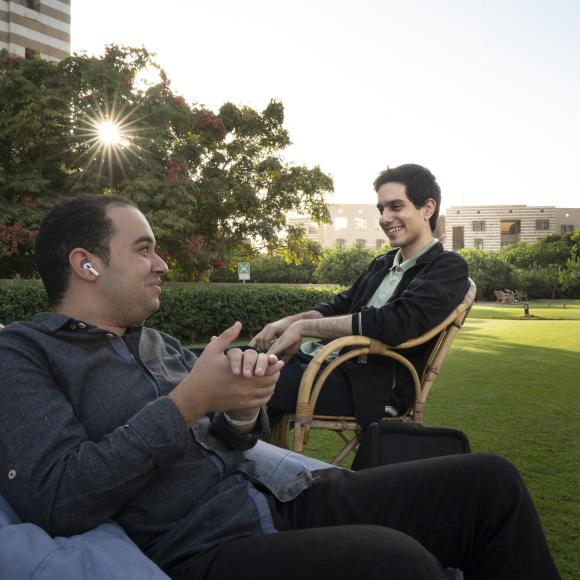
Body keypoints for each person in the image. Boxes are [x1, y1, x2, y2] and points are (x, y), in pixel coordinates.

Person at [0, 194, 560, 580]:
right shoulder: (25, 354)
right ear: (86, 264)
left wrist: (242, 412)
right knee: (393, 562)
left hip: (277, 500)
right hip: (208, 548)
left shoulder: (156, 342)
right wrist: (189, 400)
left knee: (489, 483)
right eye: (144, 248)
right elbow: (59, 499)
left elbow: (233, 440)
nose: (162, 263)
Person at [252, 164, 470, 428]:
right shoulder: (382, 264)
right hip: (322, 365)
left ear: (427, 208)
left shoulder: (447, 266)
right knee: (225, 360)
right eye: (381, 209)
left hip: (368, 389)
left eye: (396, 206)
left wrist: (304, 327)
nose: (385, 218)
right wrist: (286, 323)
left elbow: (397, 323)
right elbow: (338, 305)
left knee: (242, 380)